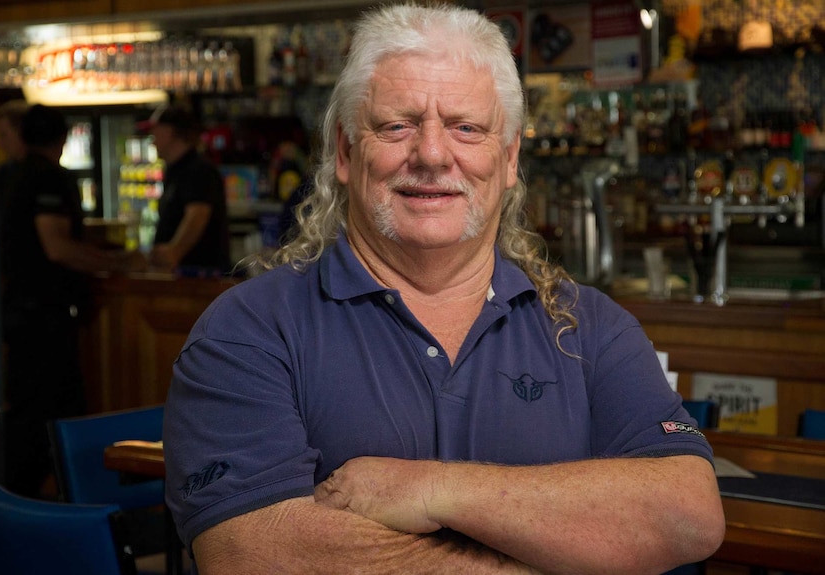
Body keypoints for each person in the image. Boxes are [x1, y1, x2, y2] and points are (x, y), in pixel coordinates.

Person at [163, 4, 725, 574]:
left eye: (466, 128)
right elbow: (252, 552)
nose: (432, 155)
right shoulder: (247, 330)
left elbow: (688, 514)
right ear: (345, 151)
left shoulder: (589, 327)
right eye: (396, 125)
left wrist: (431, 488)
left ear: (508, 159)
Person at [0, 104, 146, 498]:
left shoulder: (12, 176)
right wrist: (116, 261)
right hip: (44, 321)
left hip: (20, 315)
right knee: (47, 420)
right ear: (63, 139)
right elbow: (56, 247)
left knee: (31, 416)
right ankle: (49, 508)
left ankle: (26, 508)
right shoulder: (48, 178)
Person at [149, 104, 230, 274]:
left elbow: (198, 214)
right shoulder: (176, 170)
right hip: (184, 273)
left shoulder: (198, 170)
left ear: (169, 132)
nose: (152, 139)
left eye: (155, 131)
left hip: (198, 276)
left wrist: (174, 252)